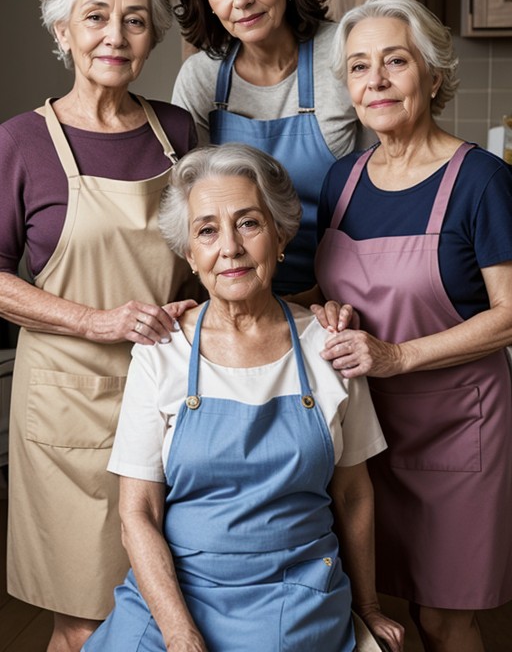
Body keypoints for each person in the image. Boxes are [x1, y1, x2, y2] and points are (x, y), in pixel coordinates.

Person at [82, 144, 404, 652]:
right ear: (190, 253)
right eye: (206, 230)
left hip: (292, 594)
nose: (228, 247)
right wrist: (180, 633)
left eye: (248, 223)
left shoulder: (328, 345)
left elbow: (353, 494)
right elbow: (138, 513)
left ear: (279, 237)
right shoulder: (161, 351)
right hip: (174, 595)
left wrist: (367, 608)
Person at [0, 0, 200, 652]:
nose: (115, 36)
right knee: (86, 621)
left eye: (136, 21)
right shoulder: (21, 142)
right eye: (96, 17)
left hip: (166, 395)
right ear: (63, 31)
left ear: (154, 35)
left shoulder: (177, 133)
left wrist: (192, 304)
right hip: (66, 409)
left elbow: (202, 257)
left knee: (160, 606)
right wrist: (98, 319)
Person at [307, 0, 512, 652]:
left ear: (432, 74)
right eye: (360, 67)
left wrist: (396, 356)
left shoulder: (481, 179)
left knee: (444, 615)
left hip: (459, 433)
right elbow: (331, 287)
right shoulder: (343, 180)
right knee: (378, 608)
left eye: (395, 61)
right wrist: (324, 310)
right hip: (366, 435)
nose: (377, 81)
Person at [167, 0, 372, 295]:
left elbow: (384, 192)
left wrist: (322, 298)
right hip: (237, 296)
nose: (241, 0)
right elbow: (191, 212)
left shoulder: (345, 53)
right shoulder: (200, 79)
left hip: (343, 295)